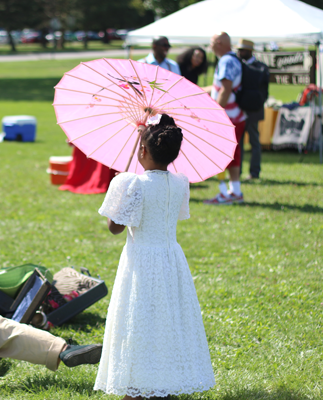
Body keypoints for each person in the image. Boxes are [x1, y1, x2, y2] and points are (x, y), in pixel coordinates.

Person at [94, 115, 215, 399]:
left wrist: (119, 188)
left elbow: (114, 228)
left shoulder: (133, 184)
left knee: (138, 320)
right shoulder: (180, 183)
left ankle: (136, 386)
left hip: (141, 263)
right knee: (166, 319)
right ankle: (164, 381)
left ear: (143, 151)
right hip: (171, 259)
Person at [203, 32, 247, 205]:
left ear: (219, 43)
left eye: (212, 42)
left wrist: (216, 114)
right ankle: (235, 191)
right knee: (232, 155)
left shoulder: (226, 61)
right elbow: (221, 87)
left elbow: (225, 89)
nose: (210, 45)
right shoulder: (233, 59)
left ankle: (224, 193)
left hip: (228, 117)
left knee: (221, 155)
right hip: (236, 115)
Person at [237, 39, 269, 180]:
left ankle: (254, 172)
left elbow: (265, 90)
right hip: (239, 109)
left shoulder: (261, 67)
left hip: (254, 110)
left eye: (242, 50)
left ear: (249, 51)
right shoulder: (238, 65)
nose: (239, 52)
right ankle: (237, 172)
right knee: (238, 142)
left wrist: (256, 103)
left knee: (254, 142)